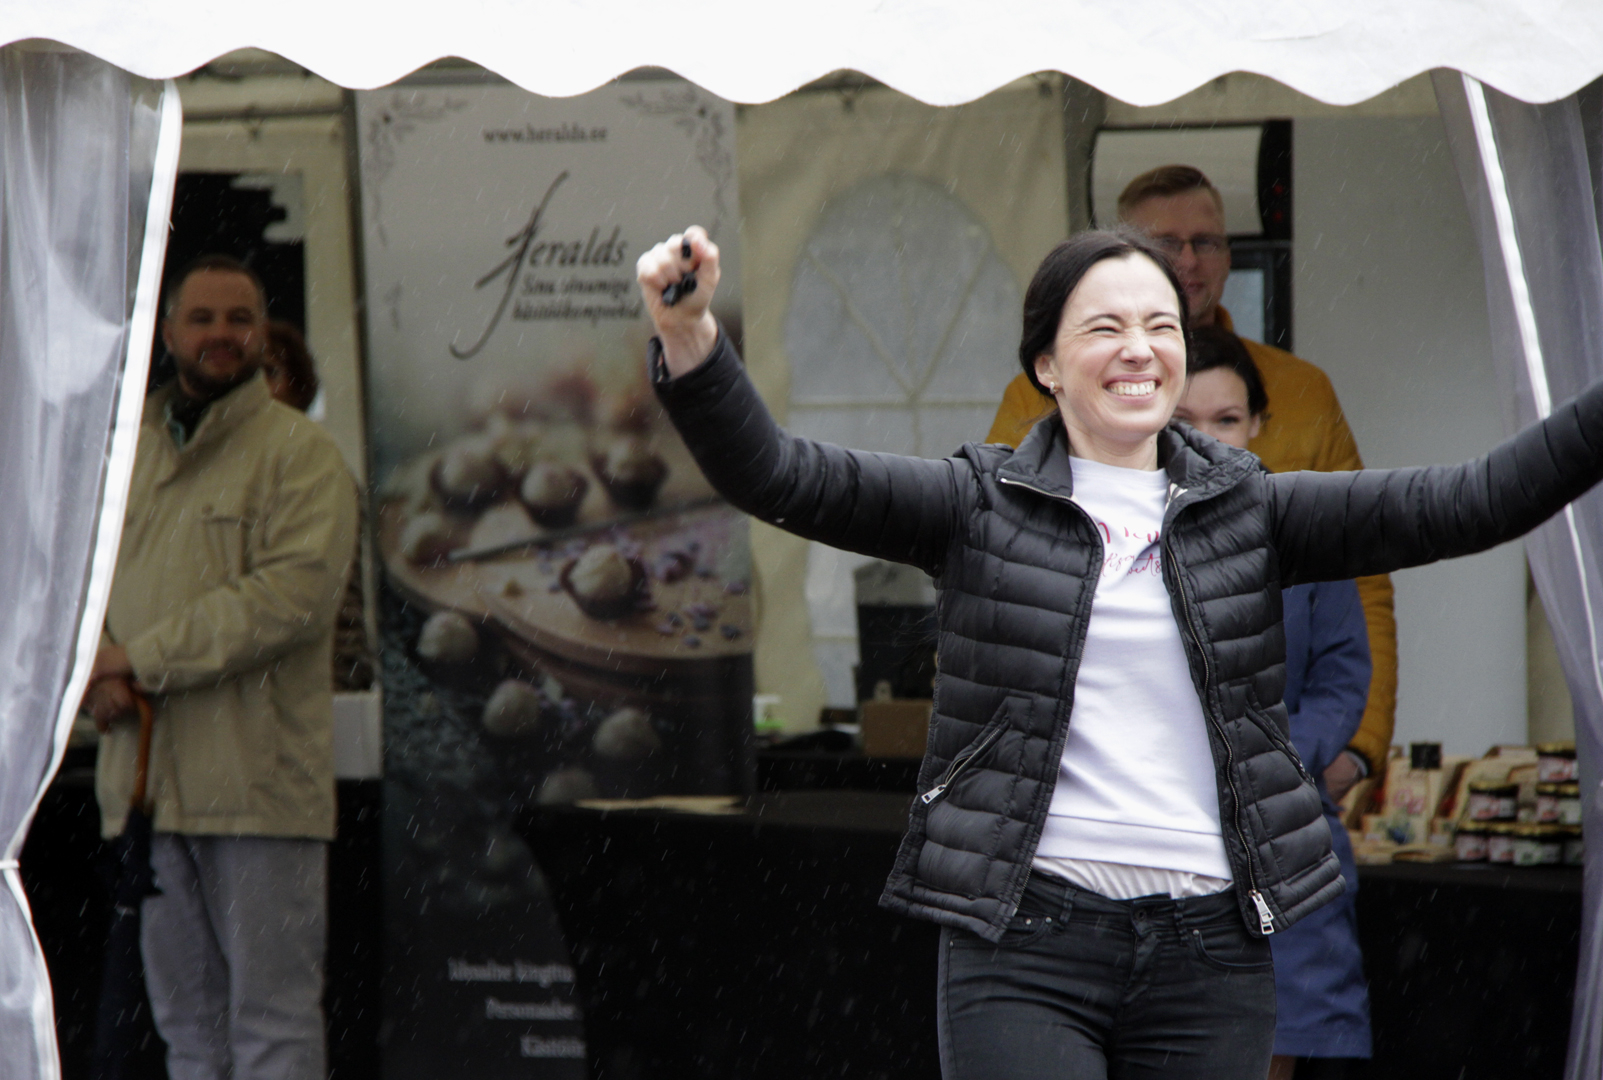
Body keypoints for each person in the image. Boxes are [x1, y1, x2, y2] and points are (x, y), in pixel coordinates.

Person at [634, 224, 1603, 1078]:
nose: (1139, 347)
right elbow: (778, 474)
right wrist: (690, 338)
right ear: (1046, 366)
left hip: (1210, 949)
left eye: (1160, 326)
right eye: (1104, 327)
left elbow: (1474, 499)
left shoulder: (1252, 508)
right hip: (1028, 941)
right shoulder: (976, 504)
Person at [987, 165, 1395, 803]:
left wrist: (1357, 747)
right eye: (1162, 244)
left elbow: (1362, 569)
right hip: (1101, 766)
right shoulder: (1044, 391)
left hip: (1274, 768)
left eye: (1205, 242)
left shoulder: (1302, 390)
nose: (1186, 261)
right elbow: (992, 569)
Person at [80, 254, 358, 1080]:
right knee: (187, 1031)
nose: (221, 334)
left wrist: (135, 658)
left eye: (239, 318)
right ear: (168, 334)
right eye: (201, 318)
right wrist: (96, 669)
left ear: (262, 333)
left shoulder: (302, 455)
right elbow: (82, 582)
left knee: (271, 1024)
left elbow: (288, 601)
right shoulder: (125, 455)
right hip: (148, 787)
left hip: (258, 789)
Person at [1175, 326, 1372, 1078]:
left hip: (1284, 821)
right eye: (1185, 420)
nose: (1207, 438)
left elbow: (1342, 673)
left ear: (1258, 422)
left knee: (1277, 1046)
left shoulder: (1306, 532)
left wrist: (1289, 756)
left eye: (1226, 418)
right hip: (1164, 824)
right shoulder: (1120, 539)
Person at [260, 319, 374, 692]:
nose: (255, 388)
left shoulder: (320, 471)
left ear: (298, 386)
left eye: (269, 372)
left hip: (316, 687)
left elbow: (341, 606)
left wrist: (337, 688)